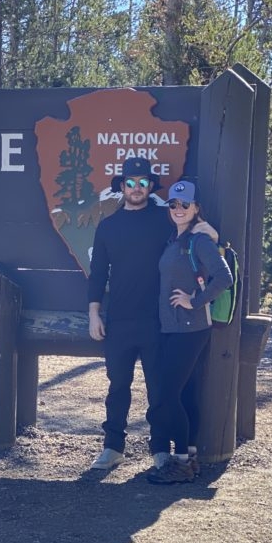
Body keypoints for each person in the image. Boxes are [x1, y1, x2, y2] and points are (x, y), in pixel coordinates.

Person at [87, 158, 215, 473]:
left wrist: (209, 231)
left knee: (158, 389)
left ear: (150, 187)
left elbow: (200, 233)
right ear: (121, 187)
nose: (136, 188)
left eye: (142, 183)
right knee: (118, 386)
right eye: (130, 183)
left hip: (158, 321)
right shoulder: (108, 226)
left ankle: (159, 449)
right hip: (118, 321)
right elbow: (98, 273)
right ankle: (112, 447)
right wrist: (94, 314)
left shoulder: (165, 219)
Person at [145, 180, 233, 484]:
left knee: (168, 393)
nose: (178, 209)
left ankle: (181, 461)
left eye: (185, 204)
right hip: (175, 327)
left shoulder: (199, 241)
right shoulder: (176, 238)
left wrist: (194, 301)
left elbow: (224, 277)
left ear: (196, 208)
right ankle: (191, 457)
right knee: (184, 393)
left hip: (189, 329)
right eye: (173, 204)